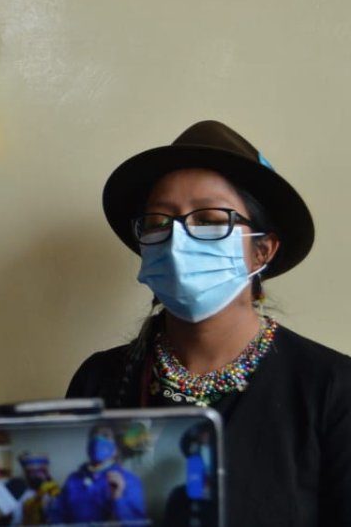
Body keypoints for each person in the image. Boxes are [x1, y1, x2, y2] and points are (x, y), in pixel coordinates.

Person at [65, 120, 351, 524]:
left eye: (211, 219)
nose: (179, 239)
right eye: (159, 222)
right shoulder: (100, 380)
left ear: (261, 251)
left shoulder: (331, 388)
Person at [45, 424, 145, 524]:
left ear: (115, 449)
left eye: (105, 436)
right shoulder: (73, 479)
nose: (98, 441)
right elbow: (58, 516)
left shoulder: (130, 481)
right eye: (94, 437)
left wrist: (118, 497)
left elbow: (138, 524)